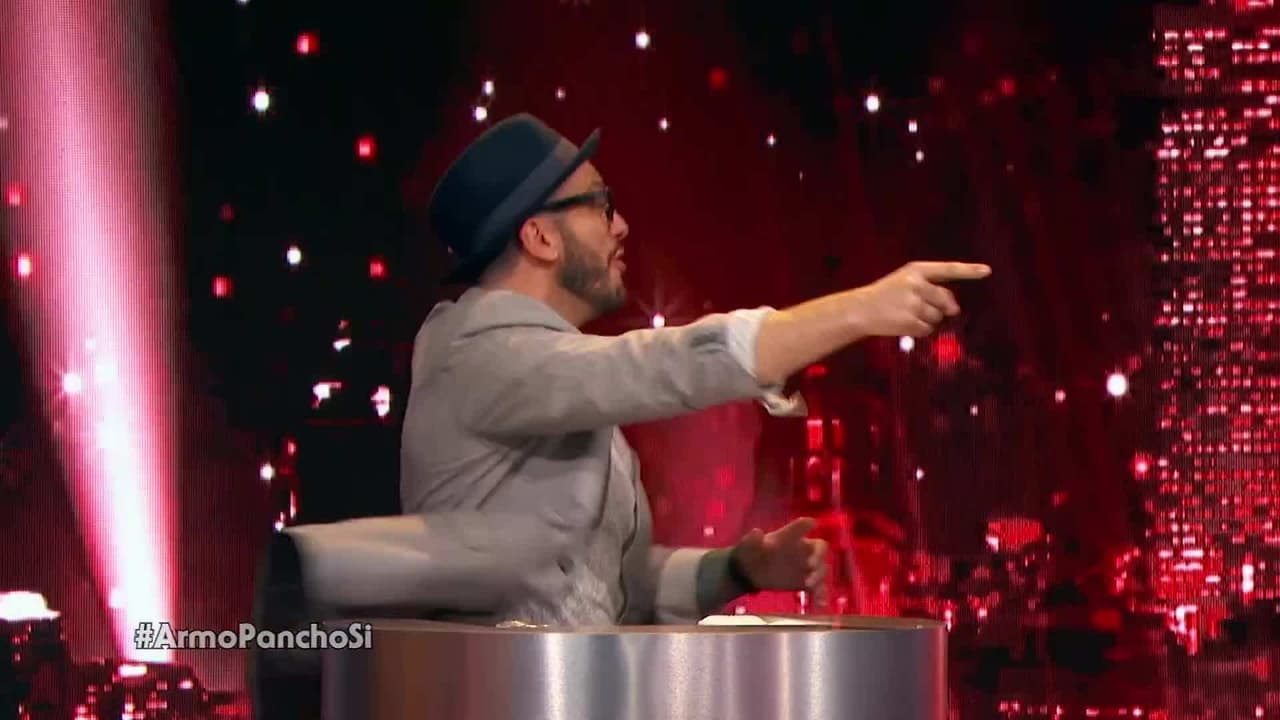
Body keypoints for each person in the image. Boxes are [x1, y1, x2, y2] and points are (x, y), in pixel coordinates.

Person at [401, 112, 991, 626]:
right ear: (540, 237)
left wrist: (738, 570)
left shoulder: (550, 377)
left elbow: (608, 589)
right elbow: (659, 365)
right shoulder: (478, 352)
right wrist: (859, 310)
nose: (621, 225)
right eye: (601, 205)